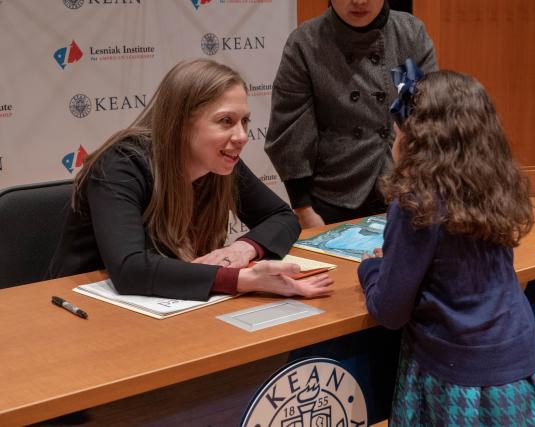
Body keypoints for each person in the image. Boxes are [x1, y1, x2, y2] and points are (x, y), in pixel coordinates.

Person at [357, 69, 535, 425]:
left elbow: (390, 311)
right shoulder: (495, 189)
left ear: (414, 139)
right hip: (523, 366)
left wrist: (371, 269)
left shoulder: (415, 206)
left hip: (456, 383)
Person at [47, 58, 333, 301]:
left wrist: (241, 249)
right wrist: (242, 279)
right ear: (182, 124)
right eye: (225, 122)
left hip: (163, 307)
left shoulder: (220, 161)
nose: (242, 137)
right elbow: (129, 269)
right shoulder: (119, 166)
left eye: (244, 121)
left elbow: (282, 216)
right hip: (81, 308)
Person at [264, 0, 438, 228]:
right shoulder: (306, 42)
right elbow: (289, 129)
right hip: (331, 197)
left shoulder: (409, 33)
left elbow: (425, 115)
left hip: (403, 190)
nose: (359, 1)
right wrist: (303, 209)